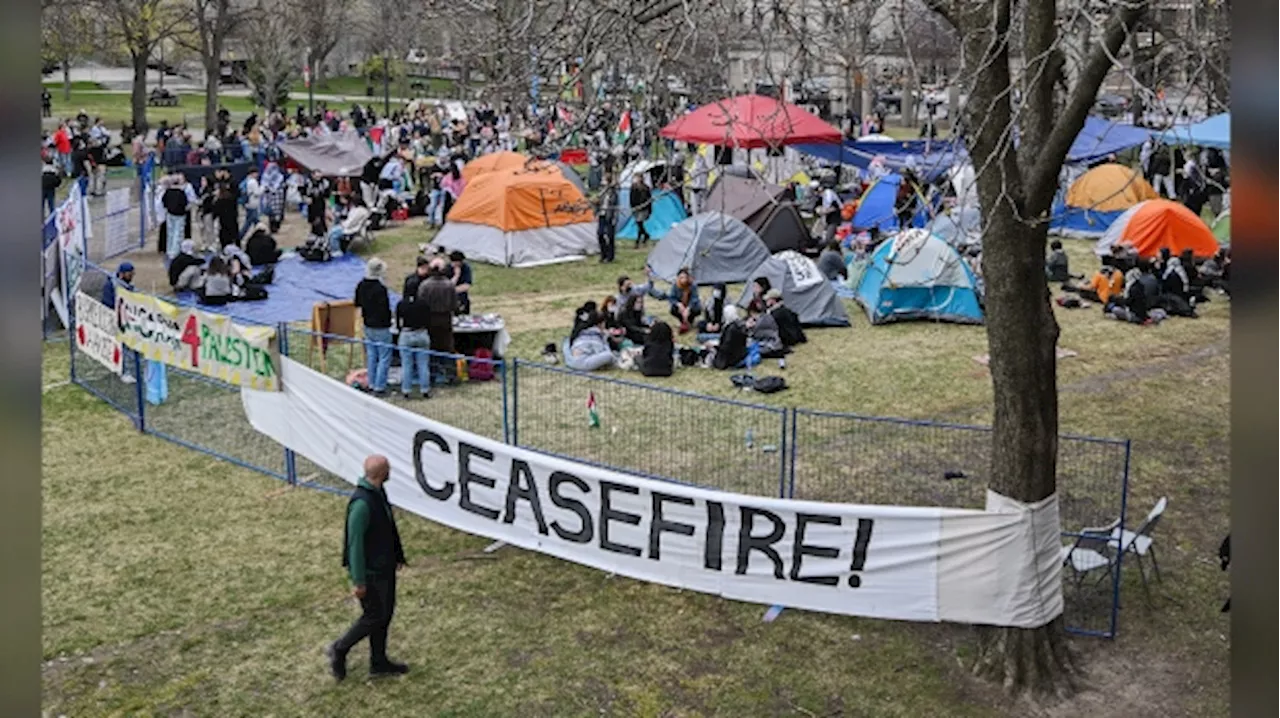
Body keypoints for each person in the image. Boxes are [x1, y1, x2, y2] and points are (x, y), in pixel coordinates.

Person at [327, 454, 409, 682]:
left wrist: (397, 554)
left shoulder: (378, 493)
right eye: (388, 468)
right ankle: (340, 648)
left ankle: (379, 661)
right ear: (382, 472)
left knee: (385, 614)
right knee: (374, 616)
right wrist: (359, 581)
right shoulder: (362, 504)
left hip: (384, 568)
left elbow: (387, 527)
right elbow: (355, 546)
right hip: (372, 574)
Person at [354, 258, 394, 396]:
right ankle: (380, 386)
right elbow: (385, 308)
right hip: (381, 326)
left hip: (368, 323)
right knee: (384, 356)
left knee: (371, 355)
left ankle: (371, 383)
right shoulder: (380, 289)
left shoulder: (361, 285)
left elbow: (357, 303)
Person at [417, 258, 457, 381]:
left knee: (432, 346)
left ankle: (432, 374)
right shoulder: (449, 285)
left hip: (430, 319)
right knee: (448, 347)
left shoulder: (424, 285)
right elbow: (454, 304)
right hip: (445, 318)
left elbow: (420, 304)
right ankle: (451, 375)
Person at [395, 286, 433, 400]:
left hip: (407, 334)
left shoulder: (401, 304)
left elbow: (398, 321)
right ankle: (425, 390)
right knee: (423, 364)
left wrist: (399, 329)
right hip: (421, 333)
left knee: (407, 364)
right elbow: (428, 319)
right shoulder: (424, 304)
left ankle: (406, 391)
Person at [565, 307, 617, 371]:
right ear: (600, 324)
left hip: (571, 359)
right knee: (609, 355)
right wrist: (605, 339)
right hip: (582, 362)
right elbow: (602, 351)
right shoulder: (595, 335)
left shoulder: (583, 330)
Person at [162, 174, 191, 260]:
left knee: (170, 233)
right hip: (179, 215)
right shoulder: (181, 193)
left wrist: (169, 208)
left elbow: (164, 202)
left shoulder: (168, 192)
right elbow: (185, 203)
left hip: (170, 214)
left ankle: (169, 250)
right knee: (178, 233)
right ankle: (175, 251)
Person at [667, 267, 702, 334]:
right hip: (681, 305)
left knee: (697, 308)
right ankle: (683, 322)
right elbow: (671, 298)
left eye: (685, 277)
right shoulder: (675, 285)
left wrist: (688, 308)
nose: (683, 279)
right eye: (681, 277)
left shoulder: (692, 285)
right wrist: (679, 304)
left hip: (690, 305)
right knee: (673, 309)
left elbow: (695, 298)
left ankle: (690, 321)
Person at [596, 176, 618, 263]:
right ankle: (603, 254)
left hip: (609, 216)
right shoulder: (601, 192)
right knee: (600, 234)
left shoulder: (613, 193)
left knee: (610, 236)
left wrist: (614, 218)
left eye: (604, 180)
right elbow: (598, 202)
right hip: (601, 215)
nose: (602, 182)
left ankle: (610, 256)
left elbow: (615, 206)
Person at [239, 167, 264, 240]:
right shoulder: (253, 182)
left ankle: (260, 233)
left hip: (248, 203)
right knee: (249, 222)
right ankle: (240, 236)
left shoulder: (246, 180)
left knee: (254, 221)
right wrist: (262, 188)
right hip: (252, 204)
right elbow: (257, 193)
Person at [629, 174, 652, 247]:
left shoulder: (646, 188)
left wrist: (649, 209)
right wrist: (632, 207)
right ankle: (646, 235)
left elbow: (649, 199)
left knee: (639, 222)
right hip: (636, 208)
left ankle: (638, 241)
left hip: (643, 208)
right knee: (639, 224)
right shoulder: (633, 187)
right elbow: (631, 198)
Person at [449, 251, 473, 315]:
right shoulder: (447, 268)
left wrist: (452, 290)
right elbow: (447, 286)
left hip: (462, 298)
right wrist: (456, 276)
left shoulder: (466, 268)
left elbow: (467, 285)